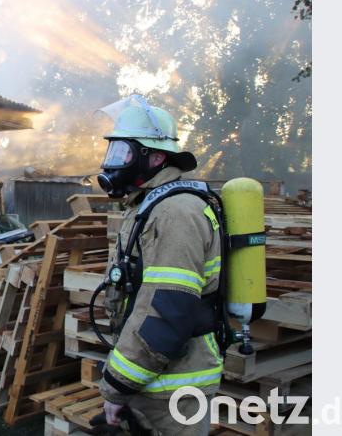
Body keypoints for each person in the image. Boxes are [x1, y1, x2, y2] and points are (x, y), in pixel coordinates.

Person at [95, 95, 223, 436]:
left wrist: (116, 385)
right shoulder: (150, 206)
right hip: (155, 379)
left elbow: (166, 311)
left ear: (155, 157)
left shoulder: (176, 213)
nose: (113, 163)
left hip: (175, 390)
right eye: (113, 152)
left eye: (123, 153)